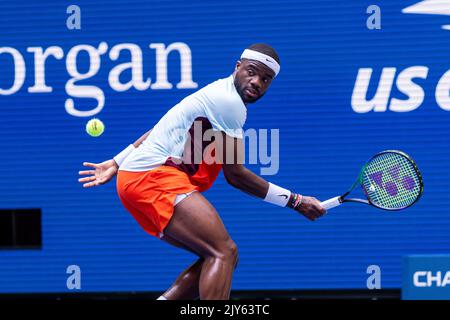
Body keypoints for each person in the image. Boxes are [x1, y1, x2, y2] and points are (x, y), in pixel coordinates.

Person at [78, 43, 326, 300]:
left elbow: (161, 128)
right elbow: (235, 176)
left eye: (266, 79)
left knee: (217, 255)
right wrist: (295, 201)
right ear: (237, 66)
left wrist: (118, 161)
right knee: (223, 252)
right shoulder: (228, 103)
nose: (257, 83)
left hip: (137, 178)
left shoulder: (215, 93)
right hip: (152, 178)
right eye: (251, 72)